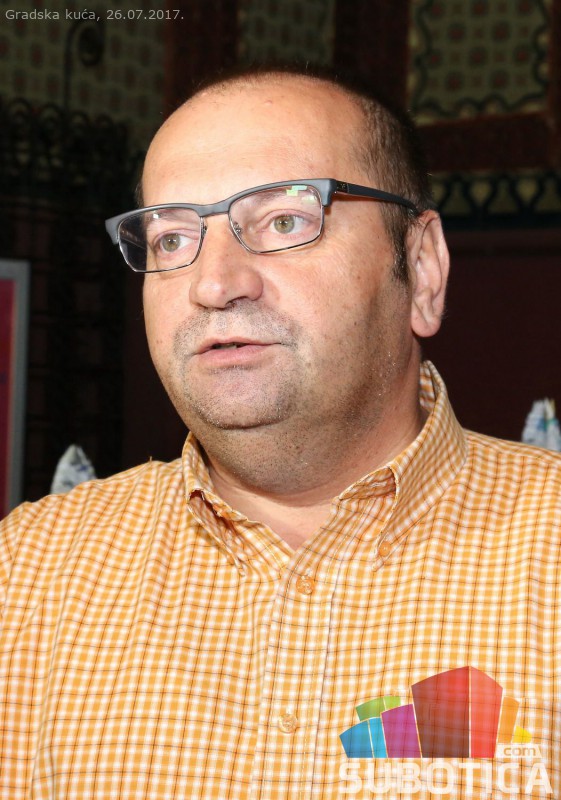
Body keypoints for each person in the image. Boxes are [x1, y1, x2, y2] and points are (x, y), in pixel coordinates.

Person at [1, 66, 559, 799]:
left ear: (421, 269)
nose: (213, 283)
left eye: (286, 222)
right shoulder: (28, 575)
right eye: (172, 238)